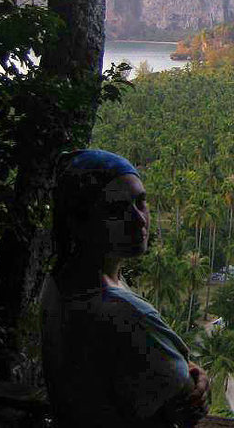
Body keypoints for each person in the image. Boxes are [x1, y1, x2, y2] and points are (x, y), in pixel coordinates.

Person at [41, 149, 210, 427]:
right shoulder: (127, 314)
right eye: (115, 210)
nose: (139, 219)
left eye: (140, 202)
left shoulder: (58, 283)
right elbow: (189, 406)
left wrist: (185, 369)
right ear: (78, 222)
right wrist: (197, 375)